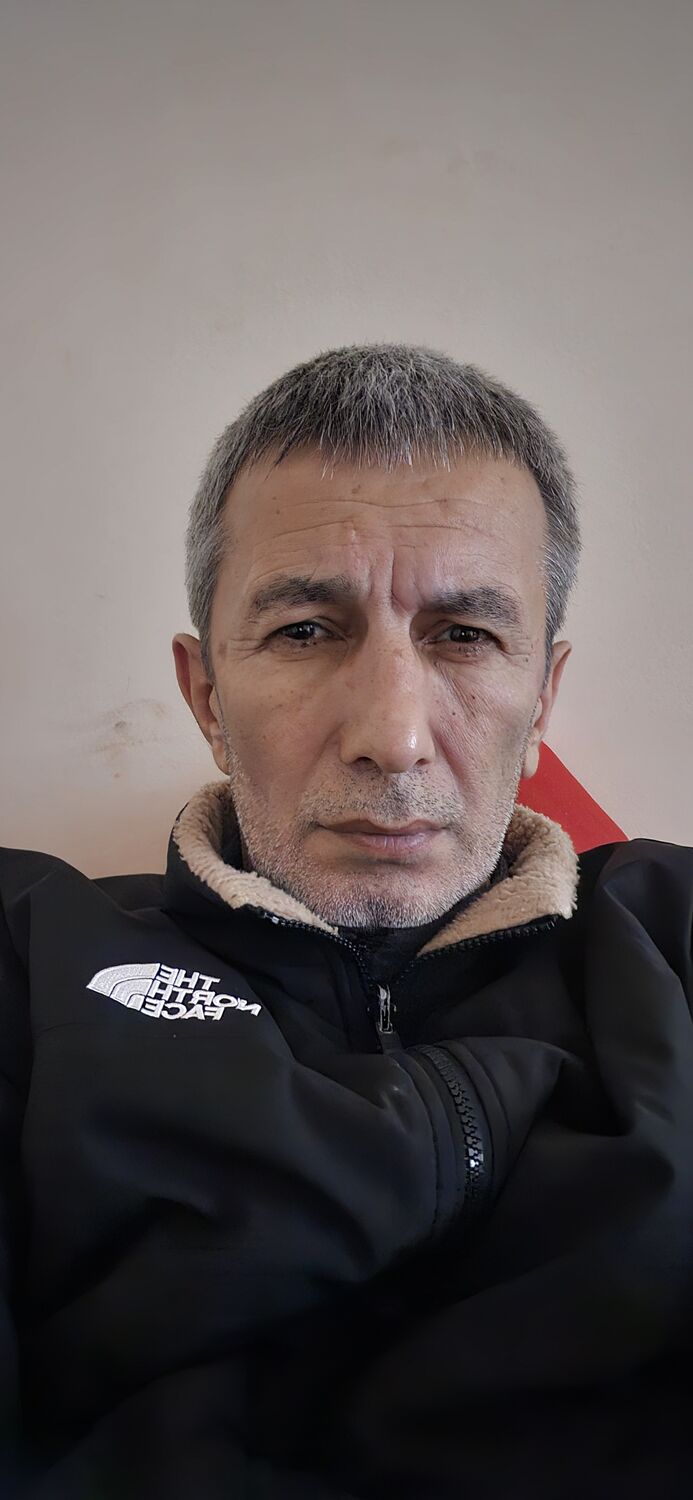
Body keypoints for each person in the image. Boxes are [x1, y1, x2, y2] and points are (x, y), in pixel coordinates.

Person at [1, 344, 691, 1500]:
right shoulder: (27, 958)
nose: (393, 738)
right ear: (205, 694)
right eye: (306, 632)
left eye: (465, 636)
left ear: (543, 697)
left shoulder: (675, 941)